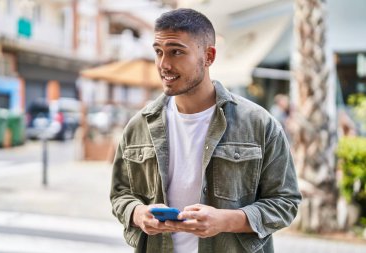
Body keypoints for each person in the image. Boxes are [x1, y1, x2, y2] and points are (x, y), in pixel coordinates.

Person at [110, 8, 301, 253]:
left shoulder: (259, 124)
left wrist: (226, 220)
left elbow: (285, 202)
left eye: (176, 52)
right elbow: (120, 194)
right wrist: (138, 214)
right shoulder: (139, 126)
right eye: (159, 52)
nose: (164, 64)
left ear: (209, 56)